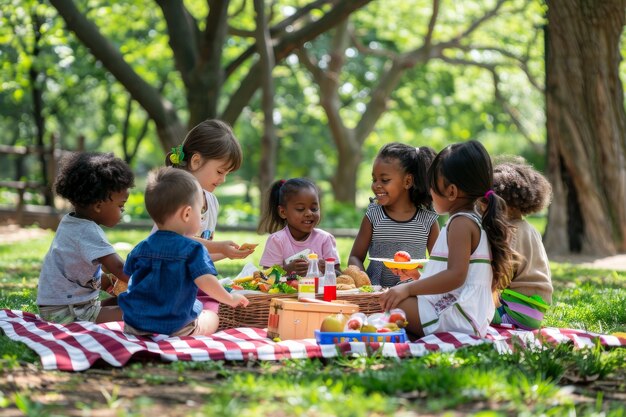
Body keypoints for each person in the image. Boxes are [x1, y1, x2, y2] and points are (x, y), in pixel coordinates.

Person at [380, 140, 516, 339]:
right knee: (397, 297)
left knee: (395, 302)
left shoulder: (461, 224)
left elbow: (455, 276)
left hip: (458, 317)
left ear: (451, 191)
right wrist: (418, 278)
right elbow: (461, 276)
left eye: (433, 187)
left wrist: (408, 288)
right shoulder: (472, 221)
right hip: (465, 313)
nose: (430, 193)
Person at [118, 167, 249, 337]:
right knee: (211, 317)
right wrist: (230, 299)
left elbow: (128, 275)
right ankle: (180, 332)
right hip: (176, 325)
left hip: (135, 324)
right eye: (200, 211)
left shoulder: (141, 247)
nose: (201, 216)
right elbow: (206, 281)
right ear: (187, 213)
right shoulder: (193, 249)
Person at [165, 119, 254, 311]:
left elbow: (198, 256)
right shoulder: (177, 197)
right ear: (196, 161)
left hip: (191, 284)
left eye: (227, 173)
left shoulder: (211, 201)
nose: (223, 179)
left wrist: (226, 253)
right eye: (220, 171)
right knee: (213, 311)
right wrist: (219, 246)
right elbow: (179, 242)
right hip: (166, 282)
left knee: (219, 305)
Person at [37, 152, 134, 324]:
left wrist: (109, 282)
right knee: (139, 312)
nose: (123, 211)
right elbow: (119, 267)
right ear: (98, 205)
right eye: (121, 206)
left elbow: (100, 266)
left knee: (126, 302)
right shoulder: (87, 231)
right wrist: (150, 283)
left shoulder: (71, 221)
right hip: (66, 313)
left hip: (60, 308)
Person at [348, 143, 440, 287]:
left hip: (411, 295)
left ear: (407, 181)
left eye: (384, 180)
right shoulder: (374, 215)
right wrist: (364, 285)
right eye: (374, 179)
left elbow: (440, 264)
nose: (376, 185)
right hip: (376, 296)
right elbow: (355, 257)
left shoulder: (427, 220)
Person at [490, 158, 553, 329]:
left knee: (466, 310)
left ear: (508, 206)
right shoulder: (530, 229)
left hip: (514, 312)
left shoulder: (510, 232)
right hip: (534, 310)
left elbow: (503, 275)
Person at [258, 178, 341, 276]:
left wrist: (328, 269)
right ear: (283, 212)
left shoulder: (325, 239)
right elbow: (266, 277)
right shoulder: (277, 240)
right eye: (300, 209)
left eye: (314, 209)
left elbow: (341, 276)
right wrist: (287, 270)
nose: (309, 213)